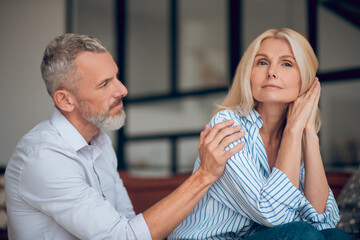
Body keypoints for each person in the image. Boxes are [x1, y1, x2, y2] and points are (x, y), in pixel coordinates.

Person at [4, 33, 246, 240]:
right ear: (65, 100)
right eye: (104, 84)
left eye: (116, 76)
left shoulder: (100, 142)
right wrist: (204, 175)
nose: (122, 90)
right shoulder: (45, 159)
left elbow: (129, 221)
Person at [169, 28, 352, 239]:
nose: (271, 72)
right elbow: (275, 214)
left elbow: (323, 219)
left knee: (336, 236)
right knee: (302, 234)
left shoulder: (298, 136)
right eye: (262, 62)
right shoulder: (228, 124)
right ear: (249, 74)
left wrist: (309, 133)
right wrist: (293, 131)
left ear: (307, 82)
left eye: (286, 64)